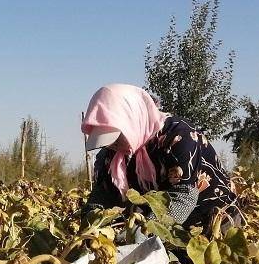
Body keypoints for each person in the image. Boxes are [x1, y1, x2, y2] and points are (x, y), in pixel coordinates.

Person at [81, 84, 240, 229]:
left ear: (131, 120)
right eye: (106, 141)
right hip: (166, 229)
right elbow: (102, 195)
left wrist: (143, 232)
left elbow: (182, 198)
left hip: (213, 222)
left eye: (115, 137)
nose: (111, 145)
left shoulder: (179, 138)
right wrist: (90, 226)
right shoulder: (112, 154)